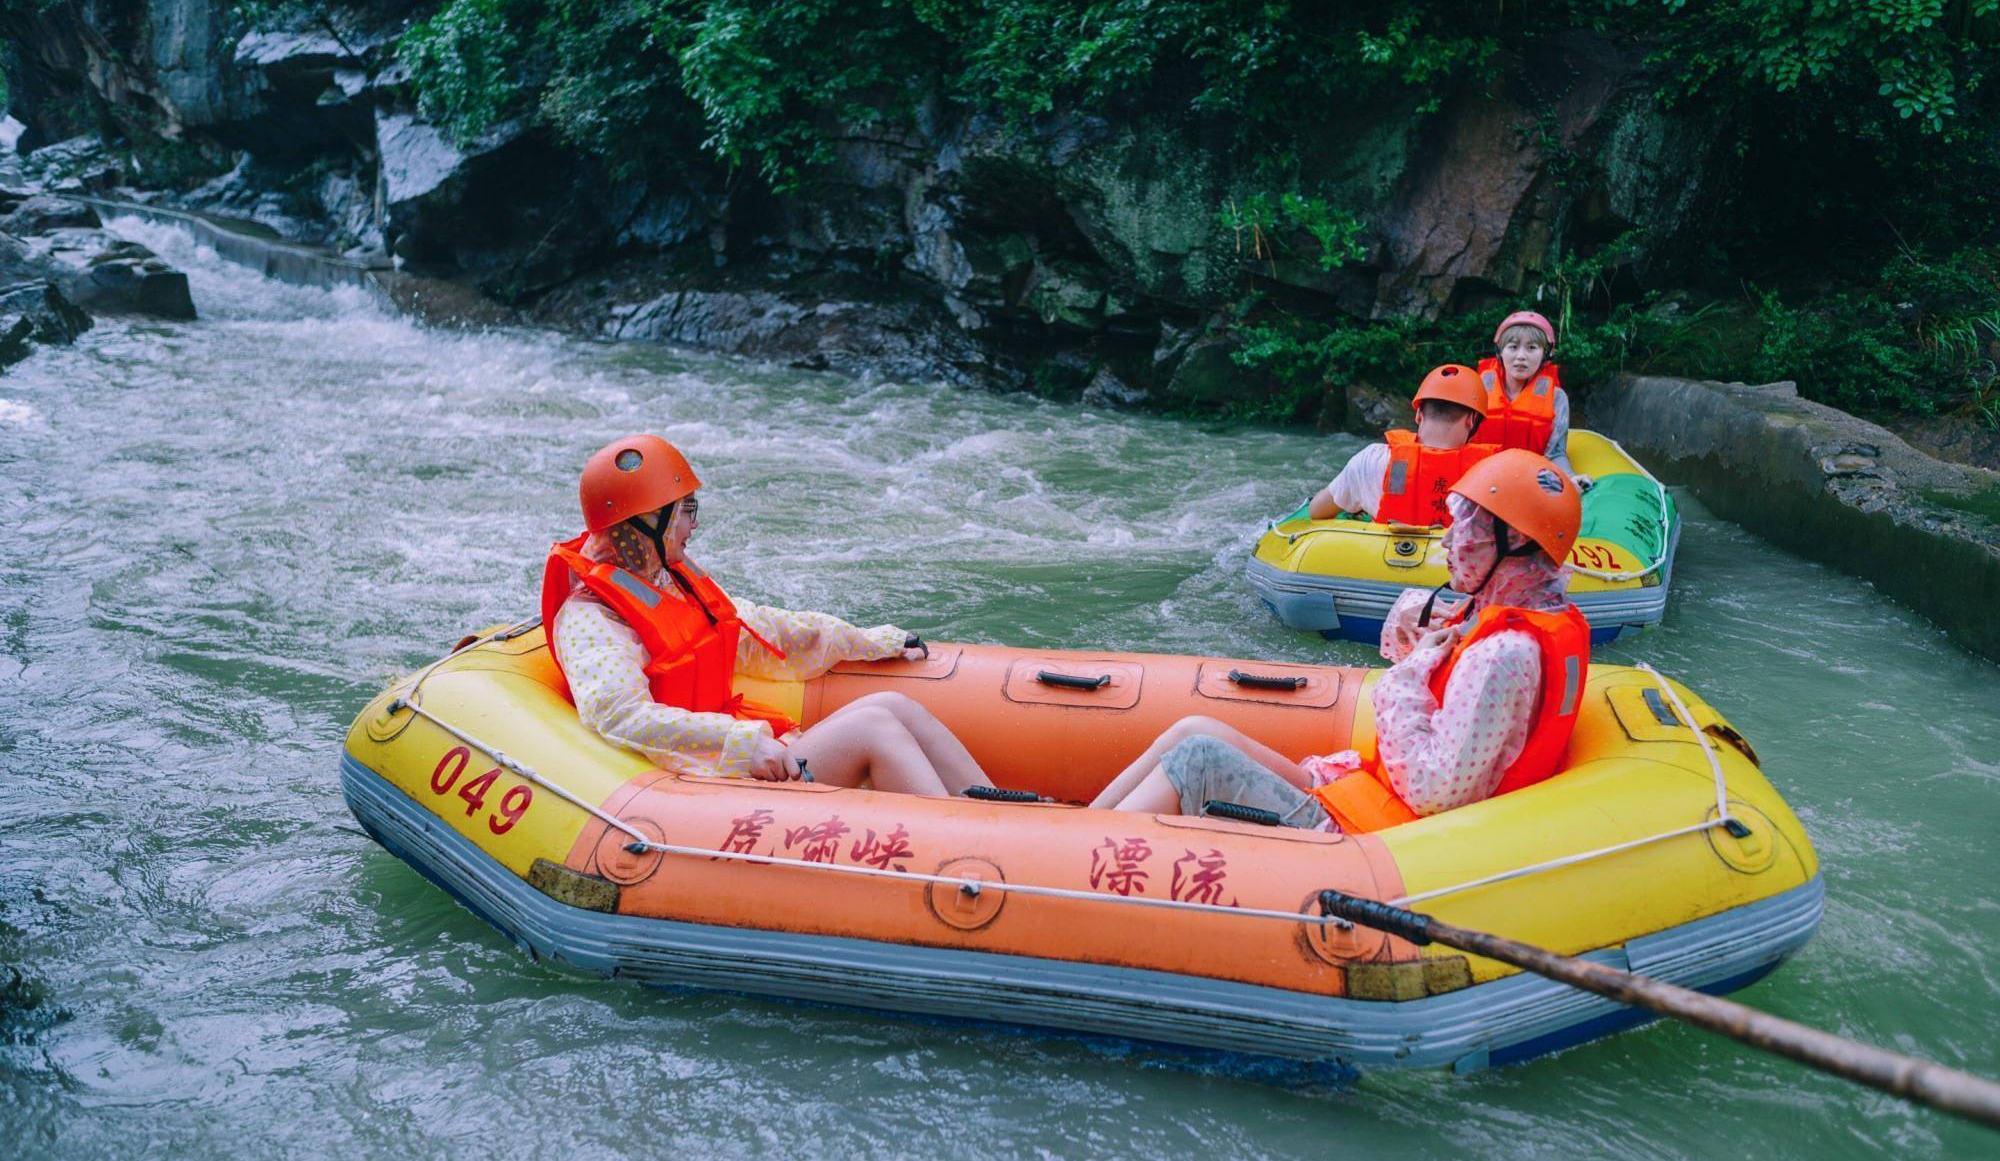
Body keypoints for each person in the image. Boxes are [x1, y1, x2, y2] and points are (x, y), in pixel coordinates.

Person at [1093, 449, 1589, 831]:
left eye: (1467, 529)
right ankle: (1076, 830)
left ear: (1516, 541)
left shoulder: (1504, 655)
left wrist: (1408, 675)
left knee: (1199, 758)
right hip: (1365, 797)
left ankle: (1070, 862)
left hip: (1381, 839)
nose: (1449, 542)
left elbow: (1434, 792)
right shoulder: (1509, 617)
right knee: (1193, 730)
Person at [541, 434, 993, 797]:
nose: (694, 525)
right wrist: (740, 741)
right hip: (696, 785)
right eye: (686, 511)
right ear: (646, 522)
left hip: (727, 760)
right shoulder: (592, 620)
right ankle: (966, 841)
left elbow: (760, 630)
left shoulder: (668, 579)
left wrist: (866, 641)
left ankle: (997, 814)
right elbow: (619, 716)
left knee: (892, 705)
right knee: (873, 726)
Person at [1308, 364, 1499, 525]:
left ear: (1418, 414)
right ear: (1472, 419)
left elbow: (1317, 510)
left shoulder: (1372, 459)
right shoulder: (1492, 473)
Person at [1472, 310, 1590, 488]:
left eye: (1532, 348)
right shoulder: (1477, 387)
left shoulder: (1557, 398)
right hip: (1481, 475)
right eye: (1513, 347)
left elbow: (1555, 453)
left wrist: (1571, 478)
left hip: (1531, 480)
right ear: (1500, 352)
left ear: (1545, 354)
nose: (1521, 356)